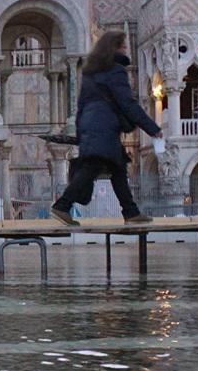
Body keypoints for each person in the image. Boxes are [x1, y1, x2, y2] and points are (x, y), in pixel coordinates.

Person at [49, 30, 164, 225]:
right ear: (115, 48)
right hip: (104, 129)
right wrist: (152, 128)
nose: (126, 49)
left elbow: (81, 105)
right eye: (123, 46)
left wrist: (81, 131)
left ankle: (131, 212)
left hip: (91, 127)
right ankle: (62, 205)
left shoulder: (90, 72)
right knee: (91, 169)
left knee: (118, 169)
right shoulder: (115, 70)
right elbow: (127, 103)